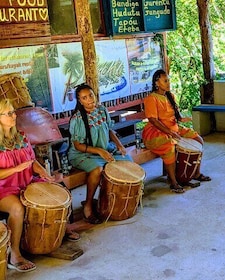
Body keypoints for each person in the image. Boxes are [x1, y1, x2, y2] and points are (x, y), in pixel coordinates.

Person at [0, 99, 79, 272]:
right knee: (17, 209)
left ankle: (59, 231)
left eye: (13, 112)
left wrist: (42, 171)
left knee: (59, 190)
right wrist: (16, 168)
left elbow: (31, 161)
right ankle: (14, 254)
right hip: (3, 188)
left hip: (26, 182)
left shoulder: (20, 136)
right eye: (9, 113)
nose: (14, 116)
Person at [68, 84, 132, 224]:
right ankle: (88, 205)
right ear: (80, 101)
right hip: (82, 154)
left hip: (103, 148)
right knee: (97, 169)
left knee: (127, 160)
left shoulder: (102, 110)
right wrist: (99, 151)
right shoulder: (78, 119)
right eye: (84, 98)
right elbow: (77, 145)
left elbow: (109, 130)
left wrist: (119, 145)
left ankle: (113, 202)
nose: (89, 99)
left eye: (91, 95)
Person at [142, 69, 211, 193]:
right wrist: (169, 132)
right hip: (156, 133)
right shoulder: (151, 99)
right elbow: (153, 120)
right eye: (165, 81)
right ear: (157, 83)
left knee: (198, 140)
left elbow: (175, 116)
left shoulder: (170, 96)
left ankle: (196, 173)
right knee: (170, 146)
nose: (168, 83)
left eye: (169, 80)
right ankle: (173, 182)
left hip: (174, 129)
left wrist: (181, 119)